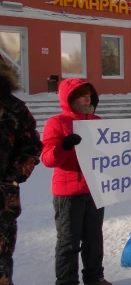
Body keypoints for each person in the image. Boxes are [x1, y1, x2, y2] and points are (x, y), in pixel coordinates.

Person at [41, 78, 112, 285]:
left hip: (95, 190)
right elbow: (47, 159)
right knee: (68, 242)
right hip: (68, 192)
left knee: (94, 239)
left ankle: (94, 277)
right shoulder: (57, 122)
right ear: (70, 98)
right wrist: (64, 146)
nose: (87, 97)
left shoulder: (97, 121)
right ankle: (66, 281)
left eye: (89, 93)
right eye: (82, 94)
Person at [0, 57, 43, 284]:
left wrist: (13, 177)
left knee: (2, 259)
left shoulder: (14, 108)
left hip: (3, 198)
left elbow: (32, 146)